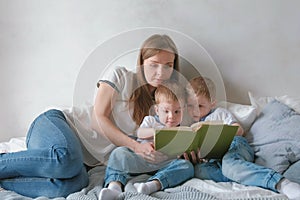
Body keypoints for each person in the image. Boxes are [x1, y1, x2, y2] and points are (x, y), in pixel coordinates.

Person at [0, 34, 182, 198]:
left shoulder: (163, 107)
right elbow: (98, 119)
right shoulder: (121, 75)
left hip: (84, 161)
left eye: (168, 66)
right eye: (154, 64)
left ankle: (4, 181)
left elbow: (170, 136)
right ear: (142, 62)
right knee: (67, 160)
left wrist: (185, 150)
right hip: (57, 124)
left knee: (72, 185)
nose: (161, 72)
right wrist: (135, 146)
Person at [185, 76, 300, 200]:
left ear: (212, 103)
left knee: (230, 165)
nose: (194, 110)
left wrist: (217, 134)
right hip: (215, 159)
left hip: (234, 147)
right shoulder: (190, 124)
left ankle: (281, 184)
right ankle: (243, 174)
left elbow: (239, 130)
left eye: (200, 106)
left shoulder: (219, 113)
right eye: (190, 106)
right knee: (198, 171)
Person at [99, 81, 194, 200]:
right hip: (142, 160)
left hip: (164, 164)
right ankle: (114, 187)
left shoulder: (182, 129)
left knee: (187, 166)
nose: (172, 116)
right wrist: (155, 132)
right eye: (166, 111)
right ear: (157, 110)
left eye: (177, 111)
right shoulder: (151, 121)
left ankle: (152, 185)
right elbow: (139, 132)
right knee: (119, 153)